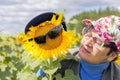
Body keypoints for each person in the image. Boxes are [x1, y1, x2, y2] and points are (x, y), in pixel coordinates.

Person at [56, 15, 120, 80]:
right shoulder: (58, 65)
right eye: (88, 34)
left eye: (98, 41)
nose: (87, 43)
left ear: (112, 55)